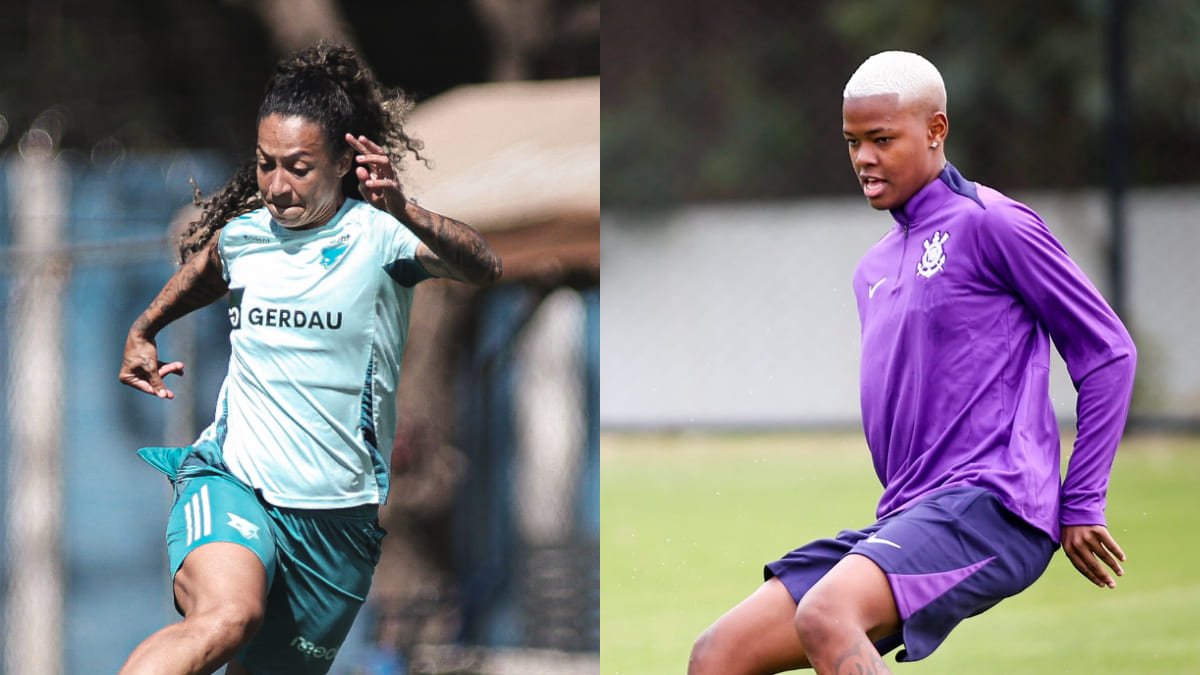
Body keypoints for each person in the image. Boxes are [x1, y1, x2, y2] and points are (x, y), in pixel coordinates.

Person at [688, 51, 1136, 675]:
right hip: (910, 512)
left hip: (994, 505)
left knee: (825, 616)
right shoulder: (871, 268)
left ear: (936, 130)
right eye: (852, 142)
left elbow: (1108, 352)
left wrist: (1083, 499)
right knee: (718, 656)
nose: (864, 159)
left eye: (881, 139)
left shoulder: (992, 224)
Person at [117, 42, 501, 675]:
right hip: (234, 481)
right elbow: (205, 273)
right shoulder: (244, 236)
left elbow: (482, 265)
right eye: (266, 164)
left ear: (346, 161)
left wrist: (405, 208)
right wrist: (145, 328)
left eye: (297, 166)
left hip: (336, 524)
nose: (276, 185)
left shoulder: (381, 237)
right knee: (228, 616)